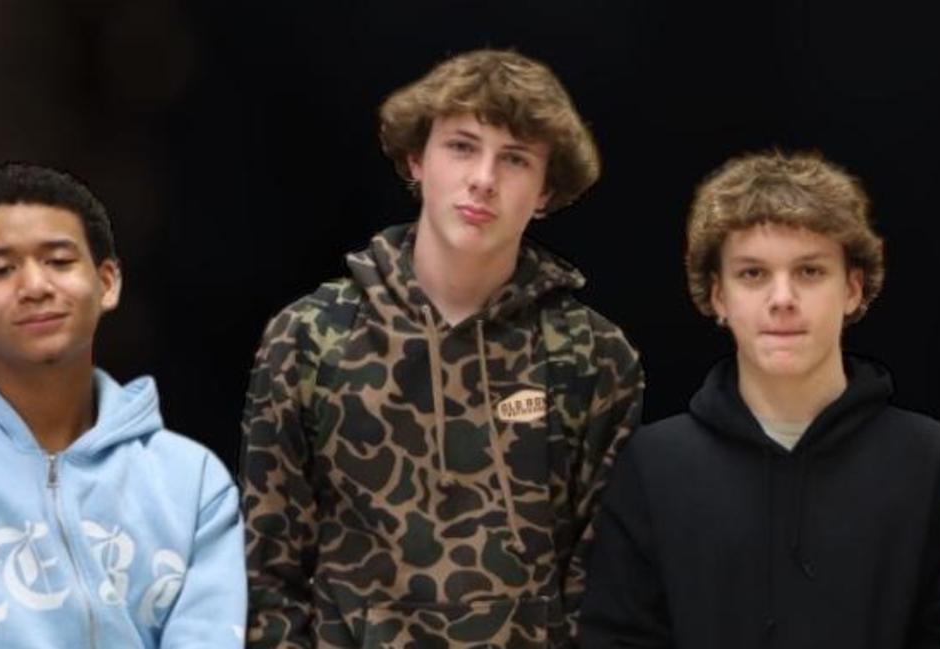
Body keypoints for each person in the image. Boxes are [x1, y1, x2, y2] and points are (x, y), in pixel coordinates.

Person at [240, 48, 644, 648]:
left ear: (545, 191)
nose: (483, 178)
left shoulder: (593, 357)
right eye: (461, 146)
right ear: (416, 161)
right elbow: (267, 578)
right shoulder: (309, 337)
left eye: (514, 159)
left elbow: (603, 592)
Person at [580, 151, 940, 648]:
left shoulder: (928, 460)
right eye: (753, 274)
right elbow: (617, 638)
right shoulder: (653, 465)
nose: (782, 298)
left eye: (809, 272)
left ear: (852, 288)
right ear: (718, 296)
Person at [0, 162, 244, 647]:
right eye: (0, 270)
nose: (35, 286)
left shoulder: (192, 481)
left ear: (107, 283)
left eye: (59, 261)